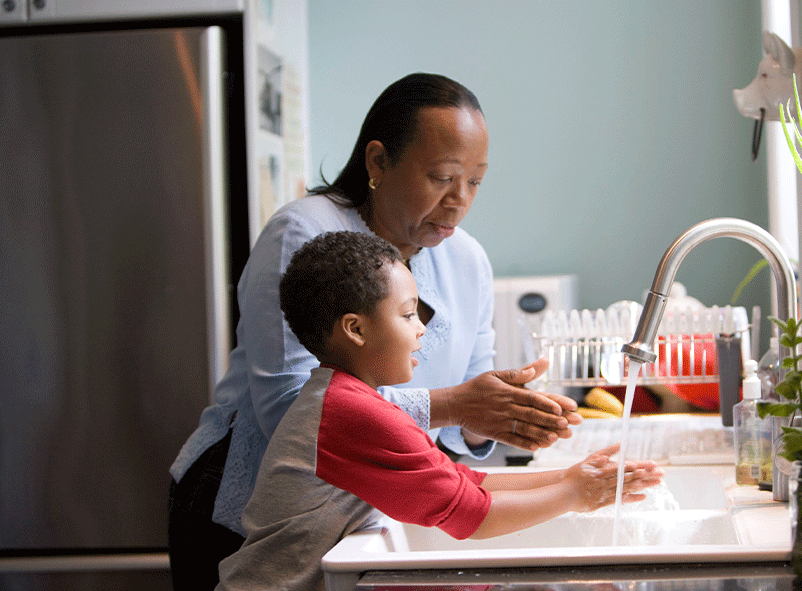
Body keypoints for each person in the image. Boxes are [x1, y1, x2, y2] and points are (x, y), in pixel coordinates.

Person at [168, 72, 583, 590]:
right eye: (442, 177)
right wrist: (455, 404)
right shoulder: (304, 231)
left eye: (475, 181)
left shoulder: (468, 260)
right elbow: (293, 411)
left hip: (355, 517)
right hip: (245, 515)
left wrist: (504, 413)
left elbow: (462, 426)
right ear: (378, 162)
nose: (460, 199)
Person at [214, 231, 663, 591]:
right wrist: (575, 495)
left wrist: (569, 477)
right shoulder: (350, 412)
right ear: (356, 329)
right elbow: (473, 514)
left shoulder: (345, 399)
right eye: (408, 314)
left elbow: (464, 481)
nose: (422, 328)